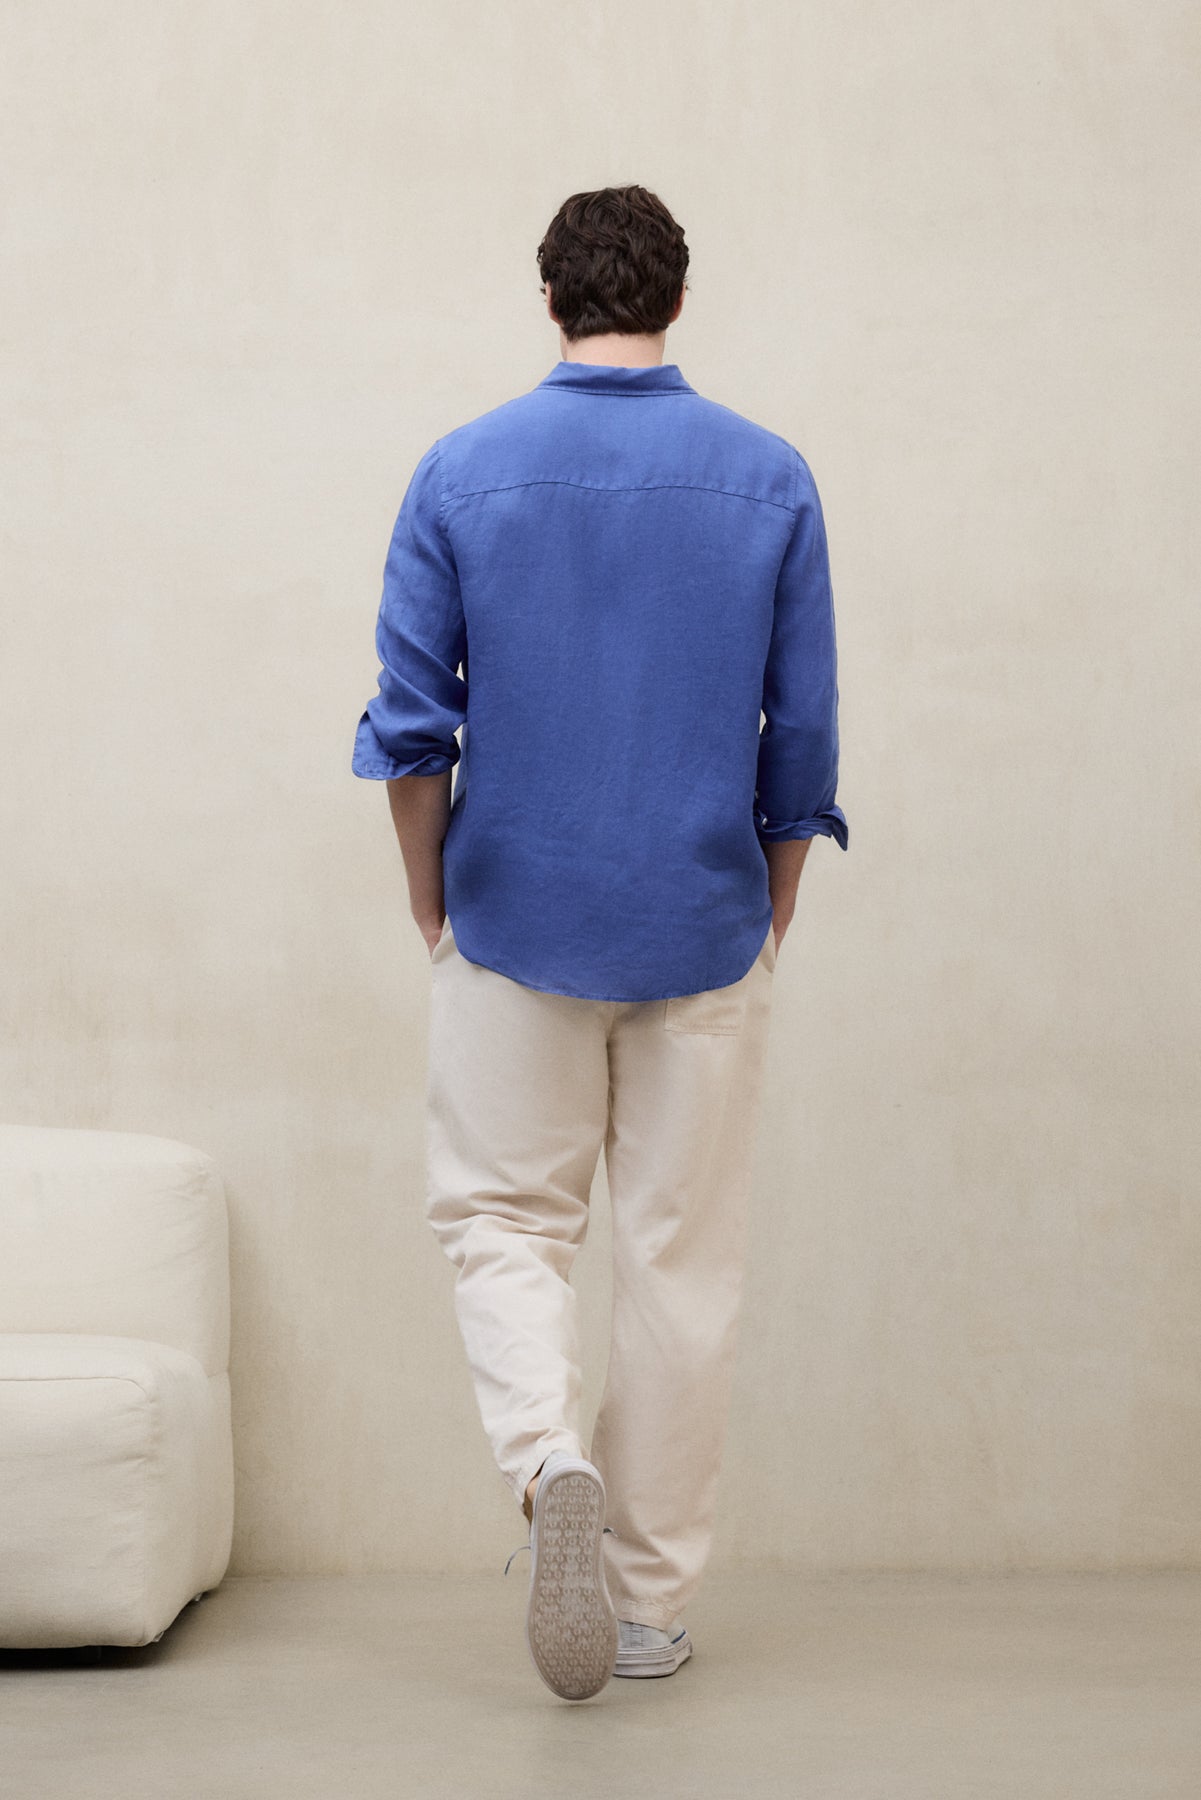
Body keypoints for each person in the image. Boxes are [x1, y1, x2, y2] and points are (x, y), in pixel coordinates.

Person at [351, 184, 848, 1701]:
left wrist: (430, 897)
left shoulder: (462, 469)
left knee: (504, 1222)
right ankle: (643, 1612)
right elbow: (800, 735)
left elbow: (411, 727)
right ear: (674, 301)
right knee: (679, 1268)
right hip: (702, 917)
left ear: (551, 299)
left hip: (515, 912)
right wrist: (769, 908)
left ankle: (545, 1460)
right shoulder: (768, 477)